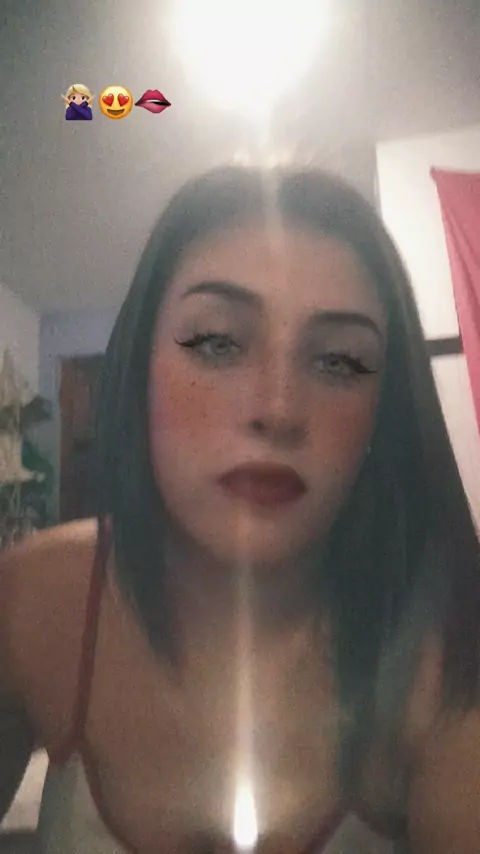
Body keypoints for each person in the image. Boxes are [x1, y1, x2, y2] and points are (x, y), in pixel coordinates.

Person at [1, 165, 480, 854]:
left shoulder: (448, 649)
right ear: (139, 366)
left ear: (384, 415)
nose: (278, 409)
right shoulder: (35, 597)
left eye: (339, 361)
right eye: (218, 342)